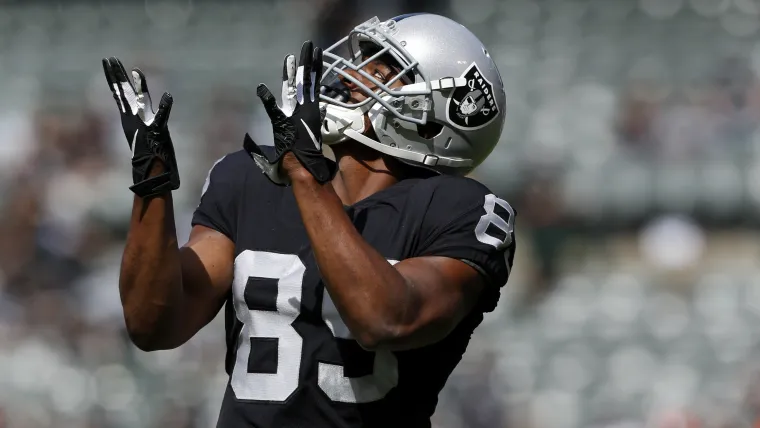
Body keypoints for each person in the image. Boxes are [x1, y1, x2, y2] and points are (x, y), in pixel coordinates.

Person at [102, 13, 515, 428]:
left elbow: (388, 319)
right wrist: (152, 181)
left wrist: (305, 175)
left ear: (430, 120)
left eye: (380, 72)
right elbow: (154, 325)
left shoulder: (462, 210)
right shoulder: (251, 179)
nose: (351, 78)